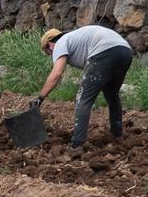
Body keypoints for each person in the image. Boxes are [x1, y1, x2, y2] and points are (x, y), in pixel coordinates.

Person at [32, 25, 134, 158]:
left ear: (50, 45)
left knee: (83, 98)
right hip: (125, 51)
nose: (51, 56)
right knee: (112, 95)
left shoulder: (61, 43)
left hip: (104, 51)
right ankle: (117, 135)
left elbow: (56, 73)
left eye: (48, 53)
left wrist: (40, 98)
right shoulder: (75, 38)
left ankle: (77, 145)